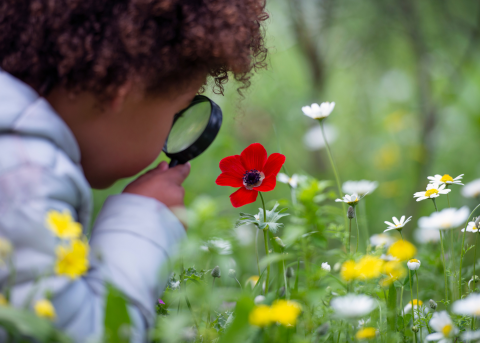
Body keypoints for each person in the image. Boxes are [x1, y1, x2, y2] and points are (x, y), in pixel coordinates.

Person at [0, 0, 268, 341]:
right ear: (121, 85)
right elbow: (76, 335)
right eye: (177, 112)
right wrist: (140, 222)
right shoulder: (25, 174)